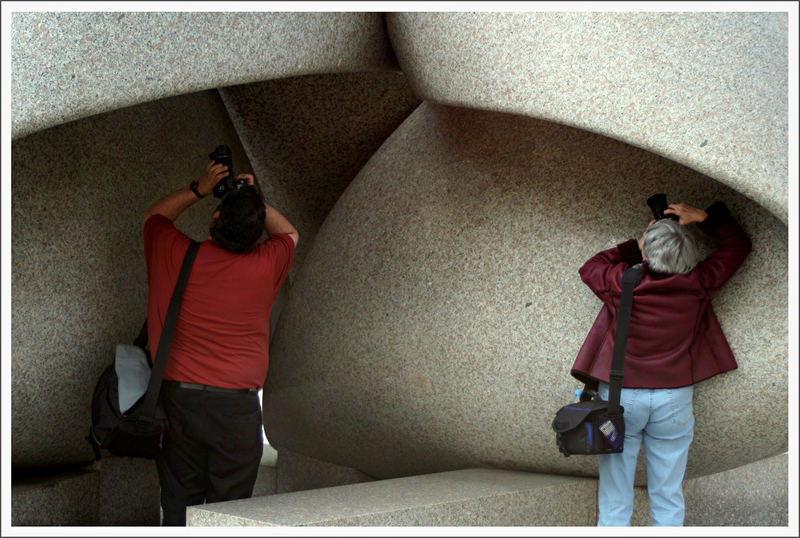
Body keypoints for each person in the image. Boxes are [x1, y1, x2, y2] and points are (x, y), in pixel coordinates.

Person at [570, 200, 751, 526]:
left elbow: (590, 266)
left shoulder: (621, 283)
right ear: (691, 255)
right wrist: (704, 218)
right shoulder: (700, 282)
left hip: (620, 399)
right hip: (674, 399)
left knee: (615, 499)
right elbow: (737, 245)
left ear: (646, 254)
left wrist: (636, 245)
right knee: (668, 494)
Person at [141, 159, 298, 525]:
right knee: (229, 513)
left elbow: (154, 217)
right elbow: (289, 235)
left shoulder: (180, 255)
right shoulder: (266, 263)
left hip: (181, 403)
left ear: (214, 221)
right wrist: (253, 197)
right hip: (237, 410)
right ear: (256, 234)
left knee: (180, 502)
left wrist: (200, 187)